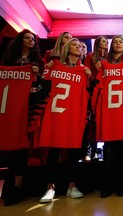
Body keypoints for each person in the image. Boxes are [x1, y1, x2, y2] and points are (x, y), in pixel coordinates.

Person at [38, 38, 91, 203]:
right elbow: (42, 87)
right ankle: (50, 188)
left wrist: (89, 77)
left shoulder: (84, 71)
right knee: (54, 152)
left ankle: (71, 186)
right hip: (56, 115)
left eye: (78, 45)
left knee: (74, 152)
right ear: (67, 48)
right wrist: (45, 71)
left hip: (74, 115)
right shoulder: (54, 66)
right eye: (73, 44)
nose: (76, 46)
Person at [0, 29, 43, 206]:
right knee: (9, 149)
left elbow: (41, 86)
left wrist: (37, 73)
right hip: (8, 110)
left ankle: (17, 187)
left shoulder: (37, 62)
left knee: (22, 149)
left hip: (28, 110)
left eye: (33, 39)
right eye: (27, 38)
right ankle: (9, 185)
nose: (31, 40)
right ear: (20, 40)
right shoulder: (8, 61)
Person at [92, 35, 123, 198]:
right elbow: (97, 88)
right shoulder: (103, 64)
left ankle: (122, 184)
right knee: (109, 149)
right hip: (109, 110)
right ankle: (109, 184)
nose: (118, 44)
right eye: (115, 42)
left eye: (120, 42)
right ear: (111, 46)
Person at [82, 36, 109, 161]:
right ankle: (90, 151)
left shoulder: (110, 57)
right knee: (92, 121)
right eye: (103, 41)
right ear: (98, 43)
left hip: (107, 92)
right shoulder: (90, 56)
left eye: (106, 41)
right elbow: (87, 73)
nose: (105, 43)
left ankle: (103, 149)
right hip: (94, 90)